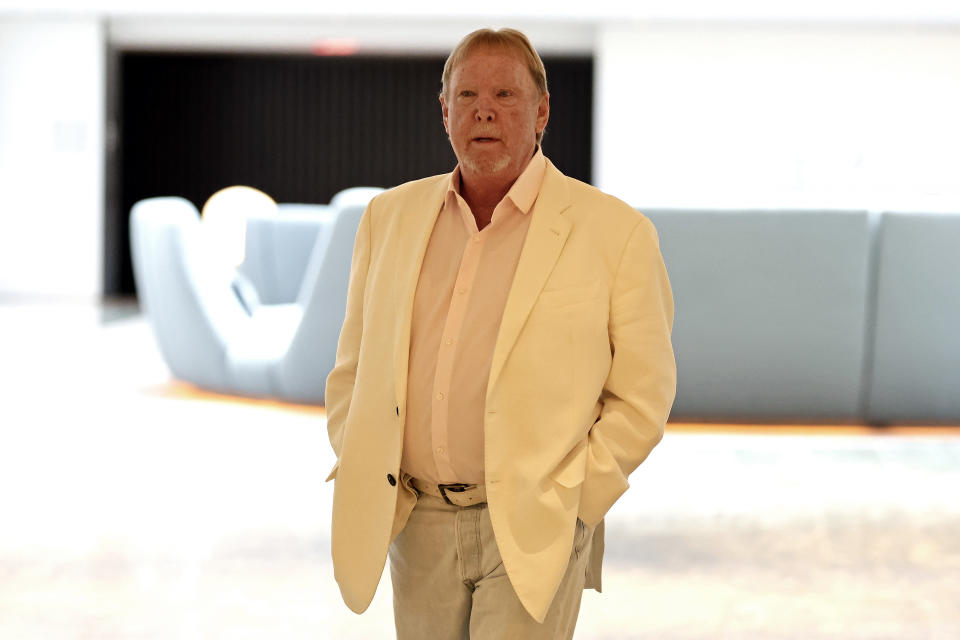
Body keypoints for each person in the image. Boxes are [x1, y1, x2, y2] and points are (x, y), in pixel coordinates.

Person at [324, 27, 676, 639]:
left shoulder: (615, 233)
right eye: (467, 95)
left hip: (533, 521)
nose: (484, 109)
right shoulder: (389, 219)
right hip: (417, 522)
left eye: (506, 95)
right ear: (444, 111)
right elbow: (353, 368)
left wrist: (576, 500)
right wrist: (364, 456)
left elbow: (644, 393)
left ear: (542, 110)